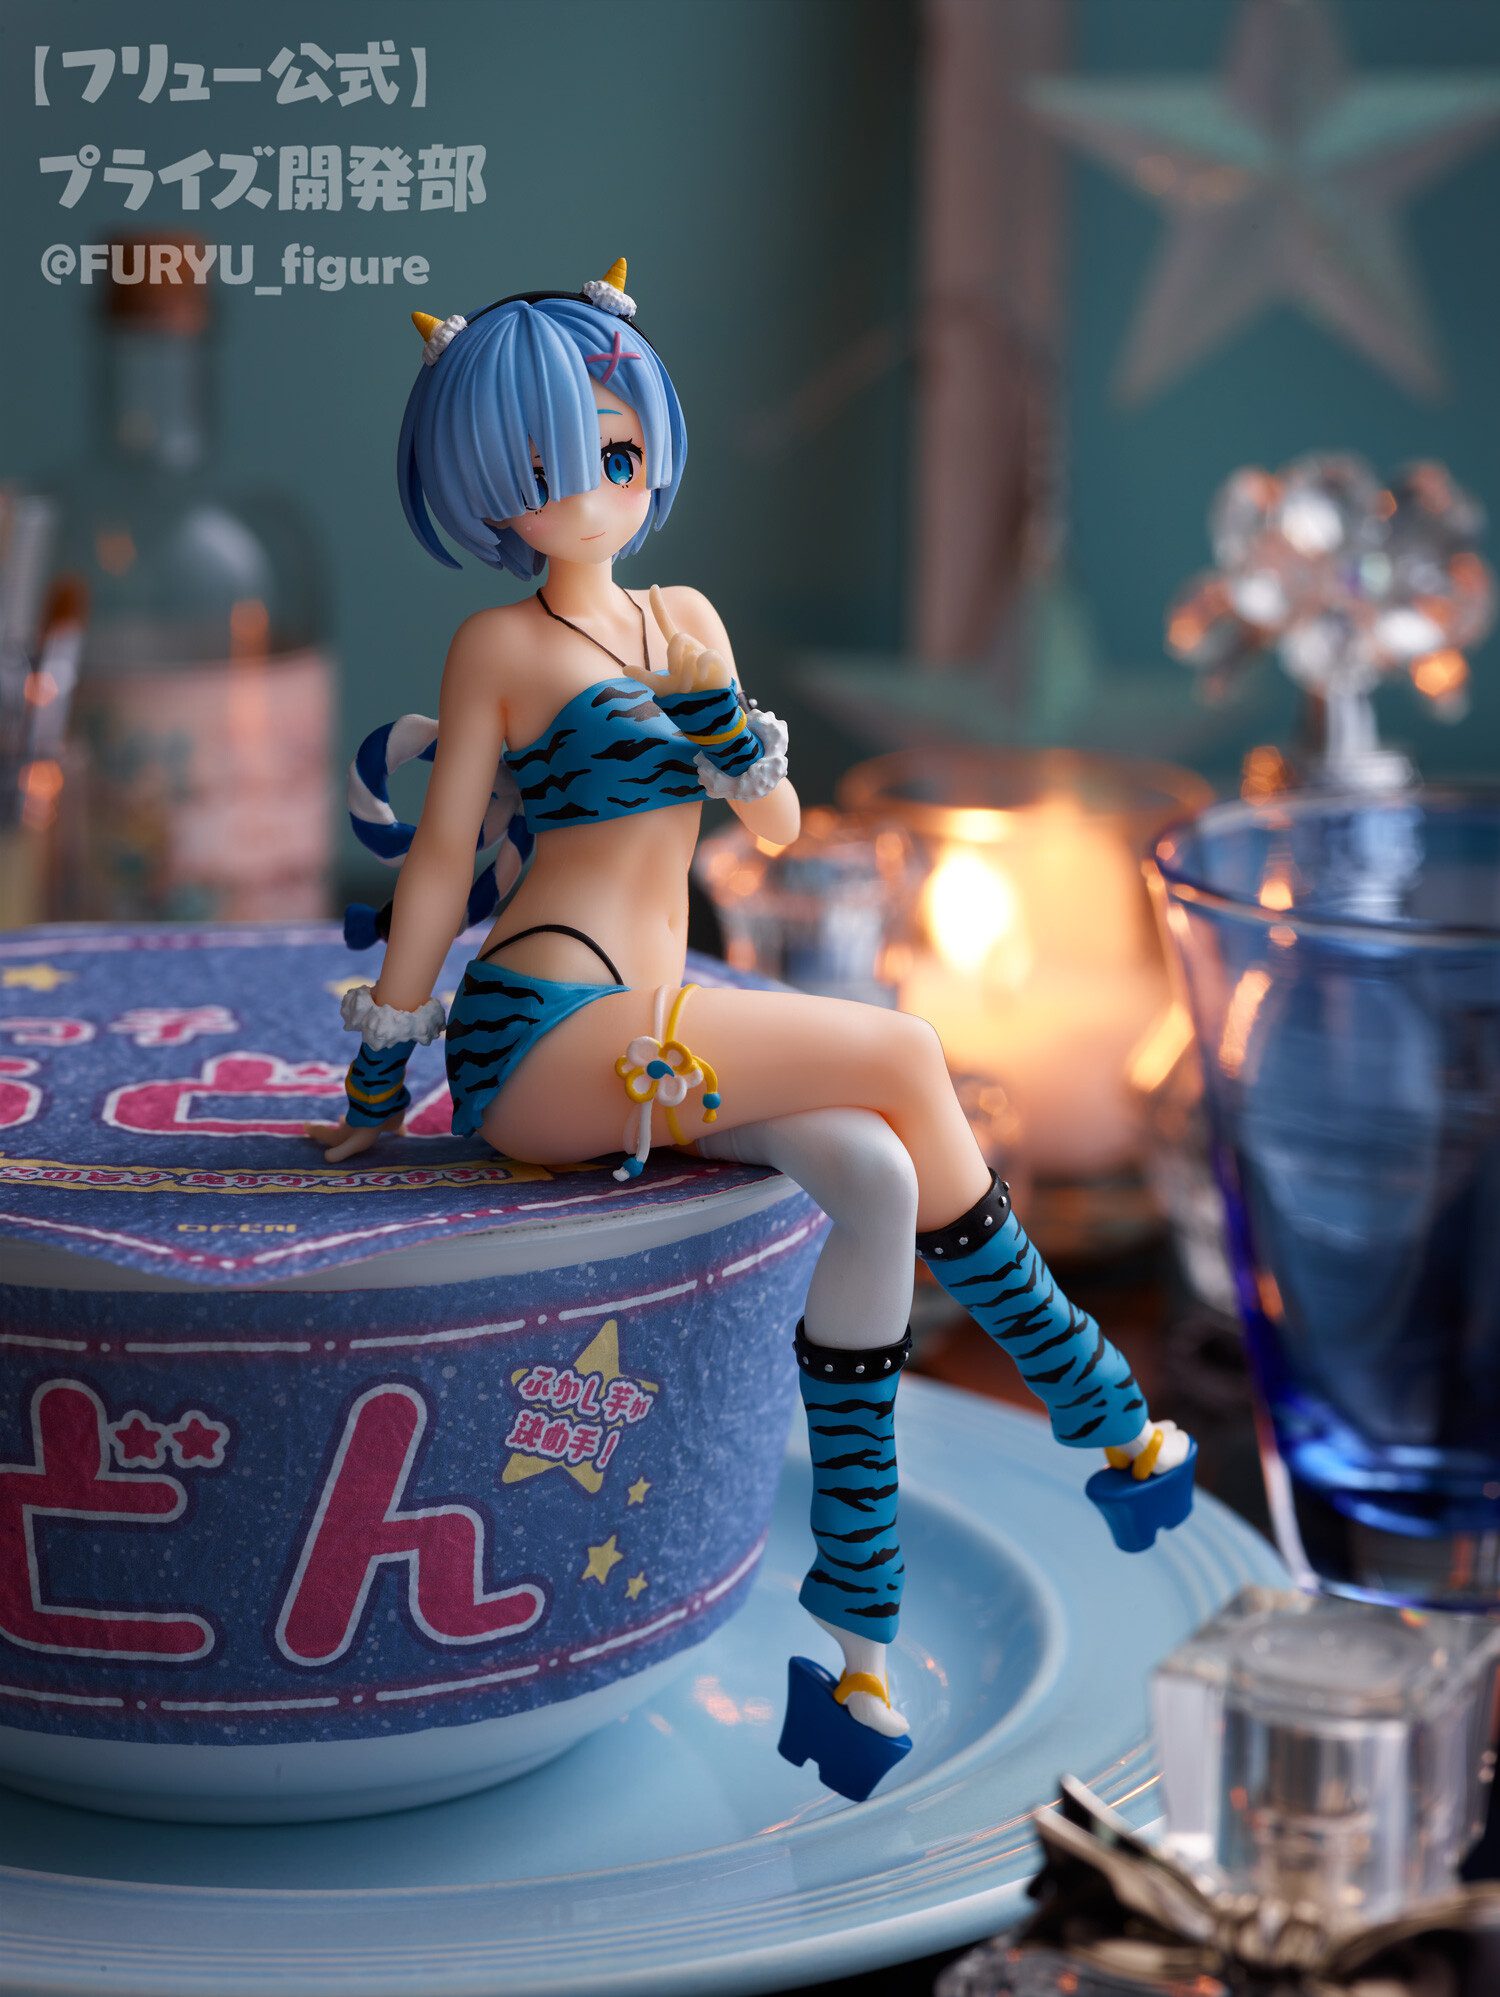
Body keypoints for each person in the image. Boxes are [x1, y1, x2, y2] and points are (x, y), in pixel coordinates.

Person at [308, 261, 1194, 1802]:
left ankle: (856, 1653)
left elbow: (772, 824)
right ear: (488, 488)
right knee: (903, 1055)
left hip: (657, 1018)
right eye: (543, 465)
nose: (591, 489)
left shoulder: (684, 619)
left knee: (872, 1170)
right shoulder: (501, 649)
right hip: (544, 1028)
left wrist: (720, 716)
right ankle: (1099, 1405)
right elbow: (443, 865)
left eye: (617, 451)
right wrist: (385, 1066)